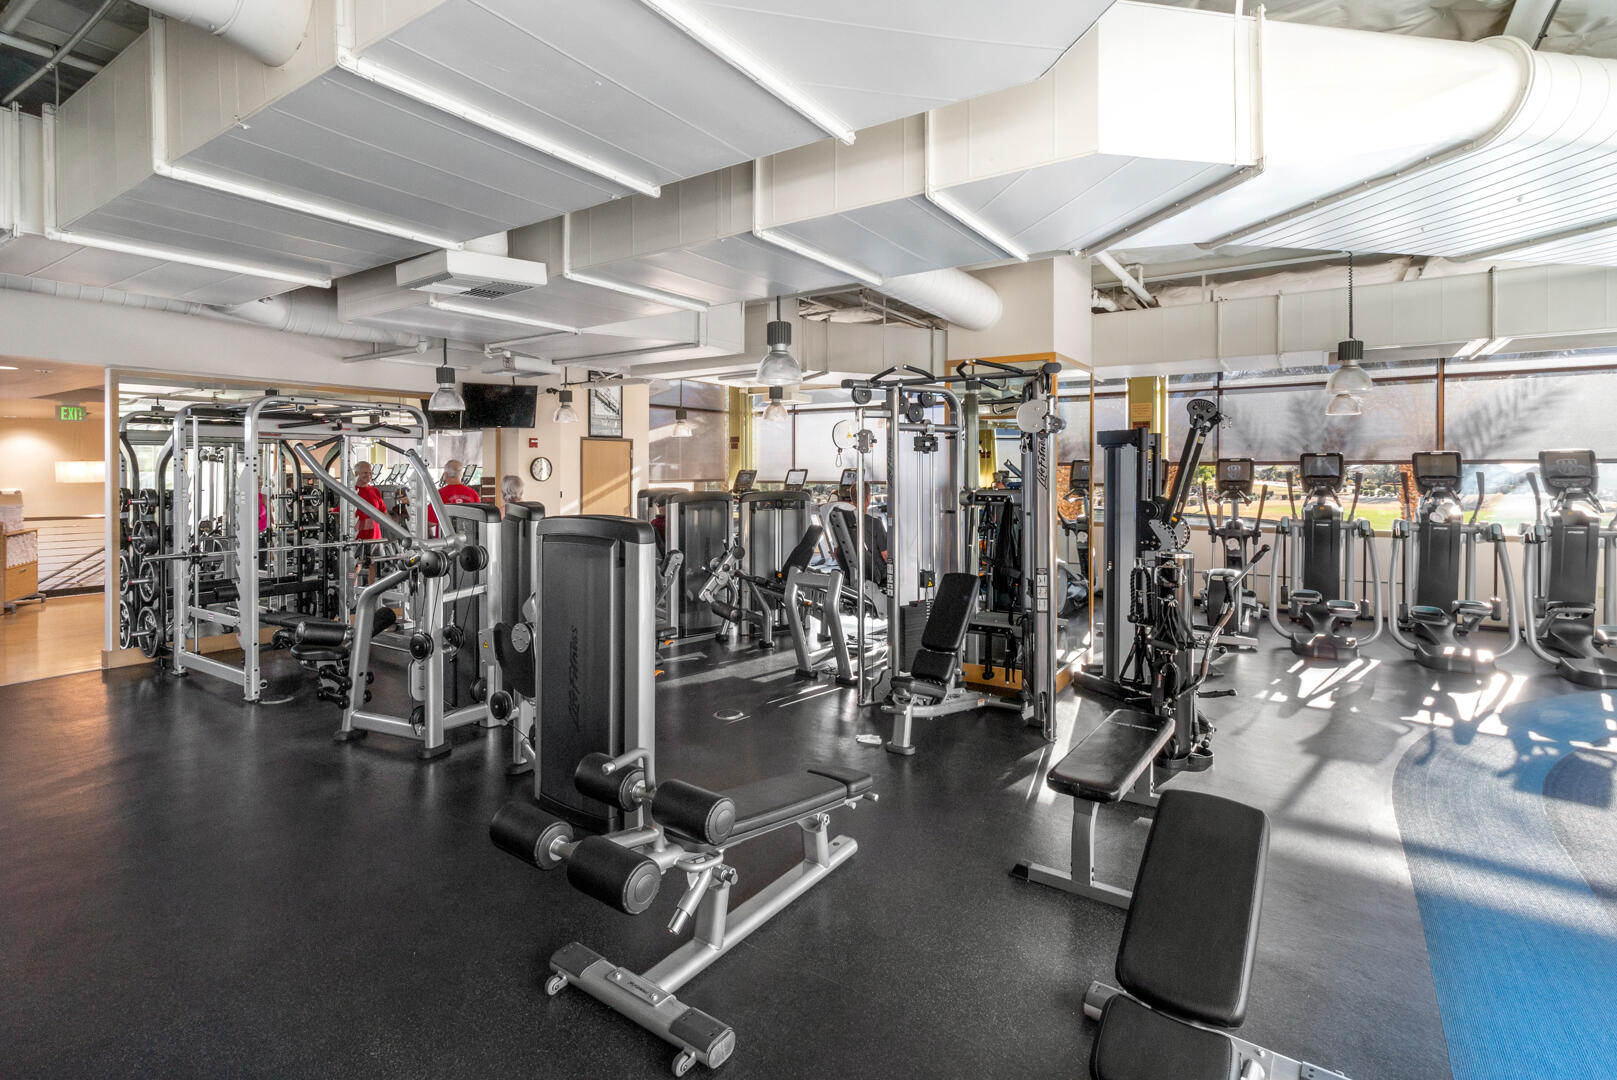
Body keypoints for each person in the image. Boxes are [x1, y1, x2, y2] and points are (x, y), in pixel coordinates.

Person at [353, 461, 389, 583]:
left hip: (375, 537)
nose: (368, 475)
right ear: (356, 473)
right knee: (354, 566)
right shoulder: (350, 491)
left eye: (370, 473)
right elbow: (338, 513)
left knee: (373, 565)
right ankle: (351, 590)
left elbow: (383, 512)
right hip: (356, 538)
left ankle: (371, 591)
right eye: (365, 473)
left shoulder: (375, 491)